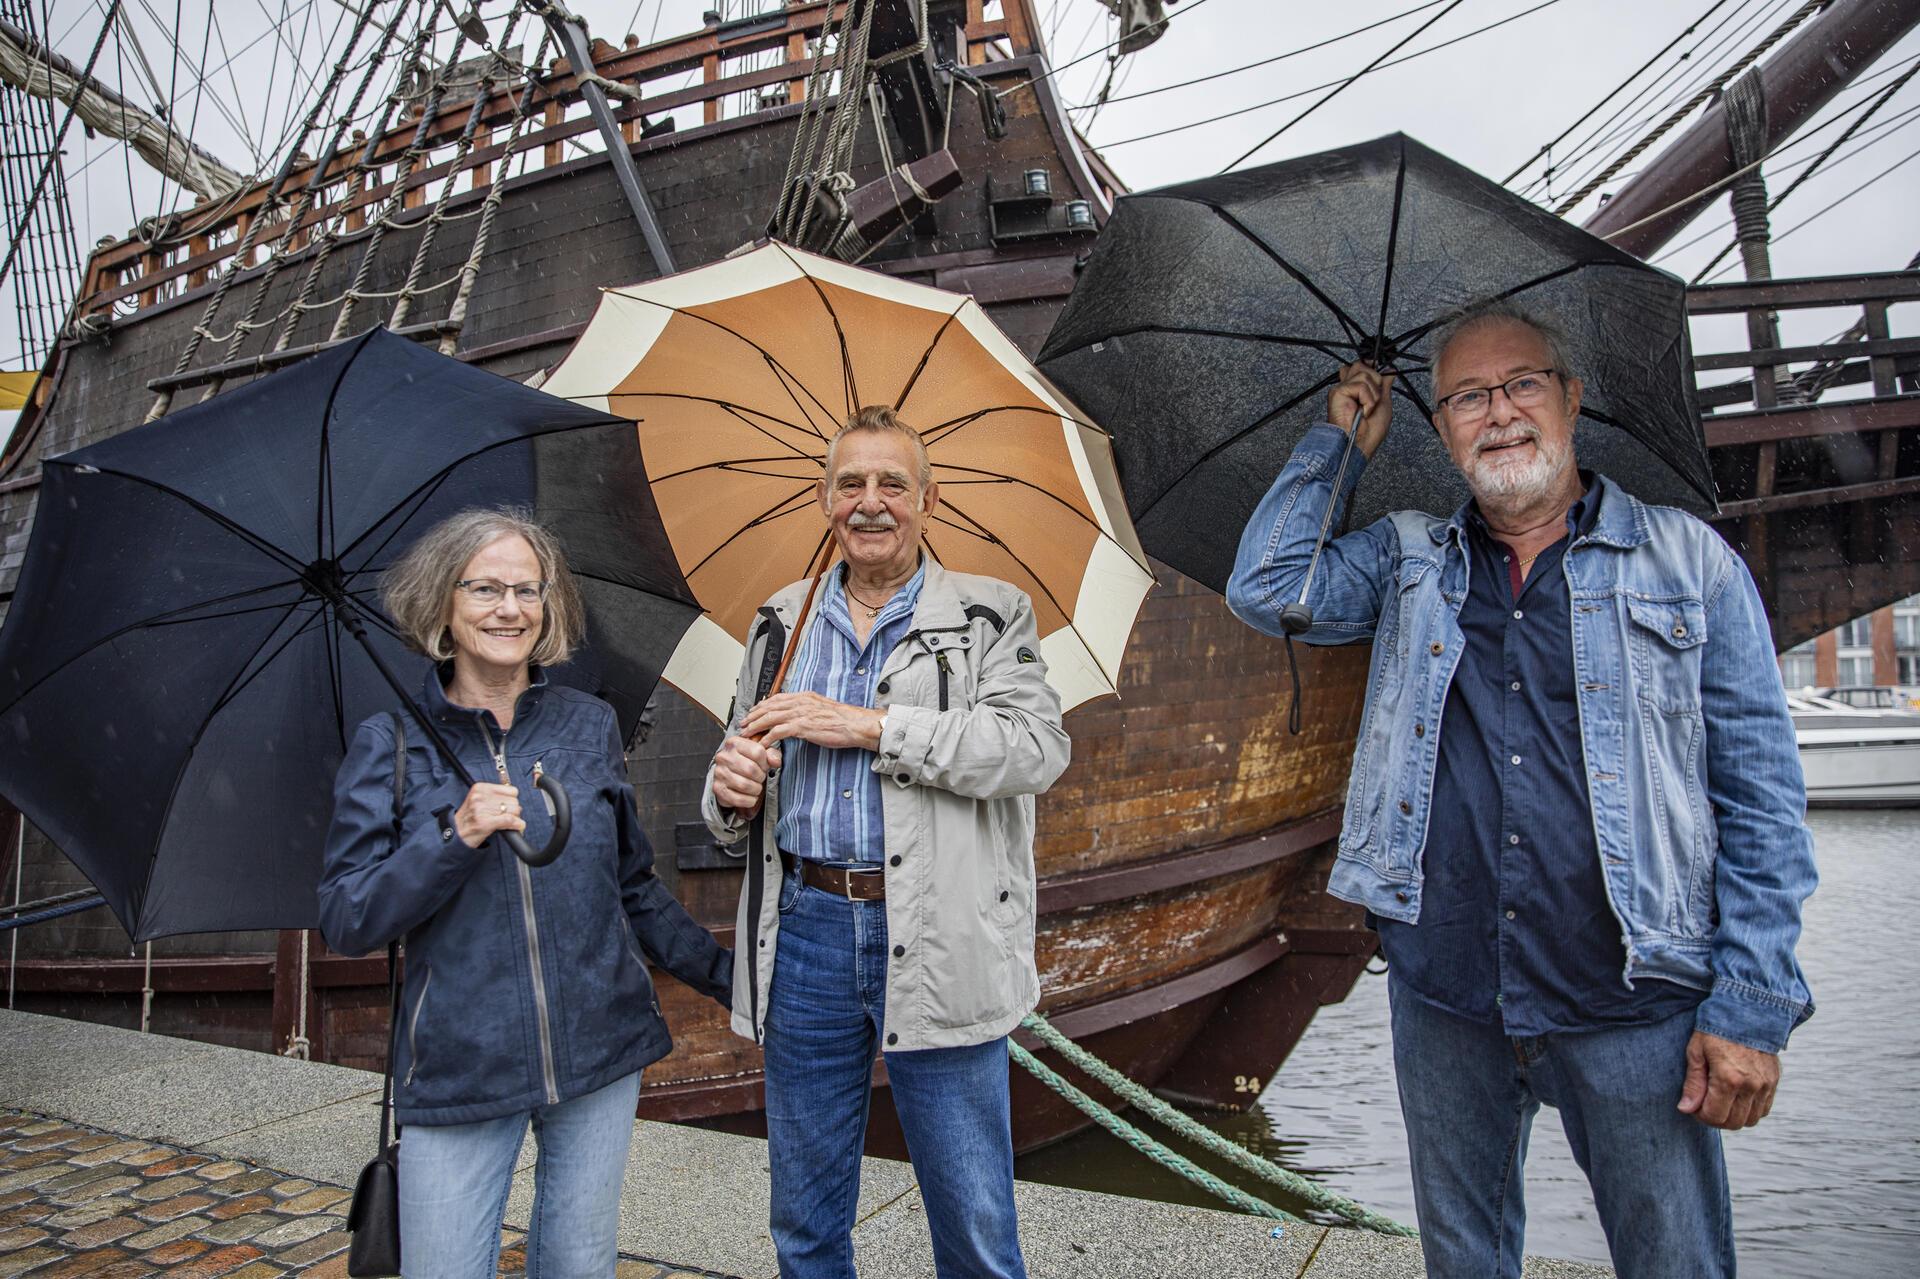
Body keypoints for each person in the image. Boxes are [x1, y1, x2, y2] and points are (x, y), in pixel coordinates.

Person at [1226, 299, 1816, 1279]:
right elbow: (1268, 586)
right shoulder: (1414, 559)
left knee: (1675, 1261)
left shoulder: (1687, 563)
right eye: (1465, 397)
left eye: (1520, 384)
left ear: (1570, 398)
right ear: (1442, 427)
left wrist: (1749, 1006)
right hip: (1450, 995)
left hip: (1636, 1002)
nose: (1497, 413)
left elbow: (1760, 796)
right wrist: (1340, 440)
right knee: (1465, 1263)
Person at [701, 405, 1069, 1279]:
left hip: (939, 932)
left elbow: (1033, 749)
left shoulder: (990, 615)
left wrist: (872, 727)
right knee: (804, 1216)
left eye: (892, 484)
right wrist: (729, 793)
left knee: (973, 1221)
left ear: (927, 501)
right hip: (809, 931)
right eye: (851, 484)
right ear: (825, 500)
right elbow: (736, 777)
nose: (872, 502)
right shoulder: (778, 623)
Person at [319, 508, 731, 1279]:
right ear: (443, 601)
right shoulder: (393, 742)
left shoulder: (588, 725)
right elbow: (347, 915)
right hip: (461, 1065)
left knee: (578, 1264)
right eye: (485, 588)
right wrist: (455, 836)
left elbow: (633, 885)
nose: (509, 608)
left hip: (601, 1048)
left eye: (527, 589)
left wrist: (735, 979)